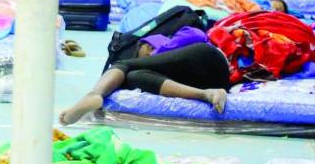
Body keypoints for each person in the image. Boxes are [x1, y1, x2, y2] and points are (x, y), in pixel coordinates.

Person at [58, 33, 230, 125]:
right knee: (135, 77)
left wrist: (162, 49)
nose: (147, 56)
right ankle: (205, 94)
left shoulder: (169, 43)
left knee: (125, 65)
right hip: (209, 83)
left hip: (211, 60)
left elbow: (197, 35)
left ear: (147, 45)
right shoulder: (155, 69)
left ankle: (95, 94)